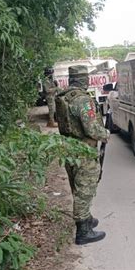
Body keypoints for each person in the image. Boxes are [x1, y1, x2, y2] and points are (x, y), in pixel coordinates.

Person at [55, 65, 110, 245]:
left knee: (76, 185)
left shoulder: (63, 97)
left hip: (68, 148)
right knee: (85, 189)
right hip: (83, 150)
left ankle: (86, 218)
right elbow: (91, 129)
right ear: (82, 80)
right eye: (86, 78)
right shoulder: (82, 100)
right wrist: (106, 134)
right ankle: (83, 231)